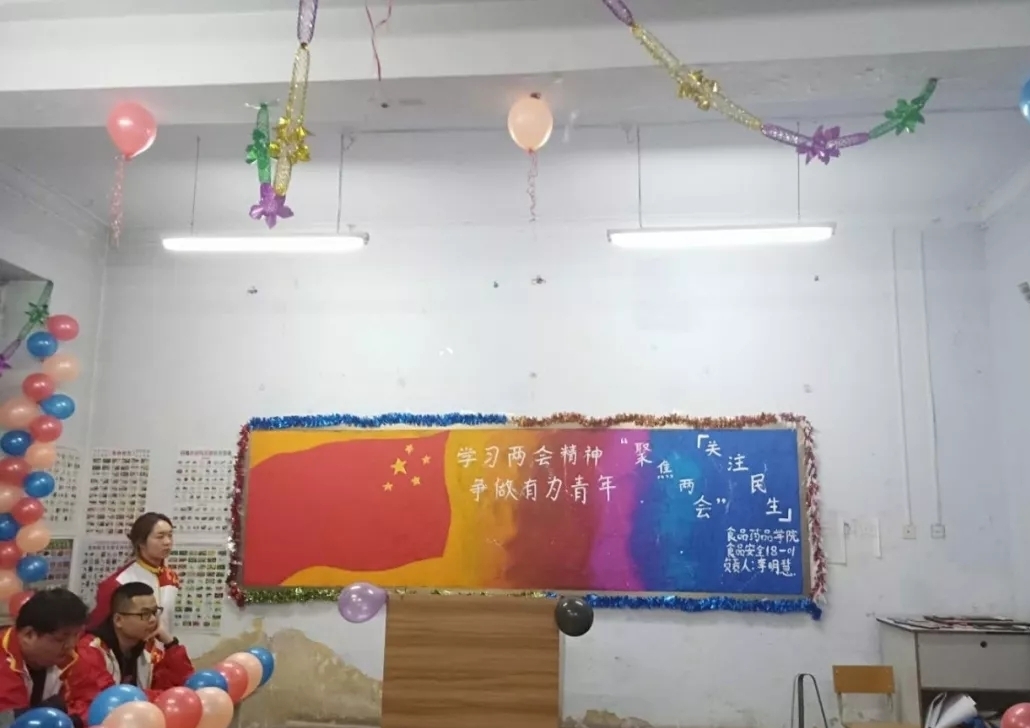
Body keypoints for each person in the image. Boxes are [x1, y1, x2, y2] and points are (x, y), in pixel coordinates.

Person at [66, 583, 193, 723]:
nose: (153, 619)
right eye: (144, 614)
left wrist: (170, 643)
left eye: (154, 612)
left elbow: (185, 687)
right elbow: (114, 700)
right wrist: (163, 697)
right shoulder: (90, 650)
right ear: (118, 620)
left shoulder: (149, 646)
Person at [0, 588, 88, 724]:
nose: (71, 645)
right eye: (61, 638)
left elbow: (89, 703)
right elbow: (12, 722)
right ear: (29, 635)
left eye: (76, 635)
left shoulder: (70, 657)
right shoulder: (3, 663)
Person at [89, 513, 179, 634]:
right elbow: (97, 627)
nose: (167, 542)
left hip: (165, 644)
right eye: (160, 536)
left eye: (170, 535)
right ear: (141, 542)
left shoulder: (171, 577)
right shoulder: (119, 582)